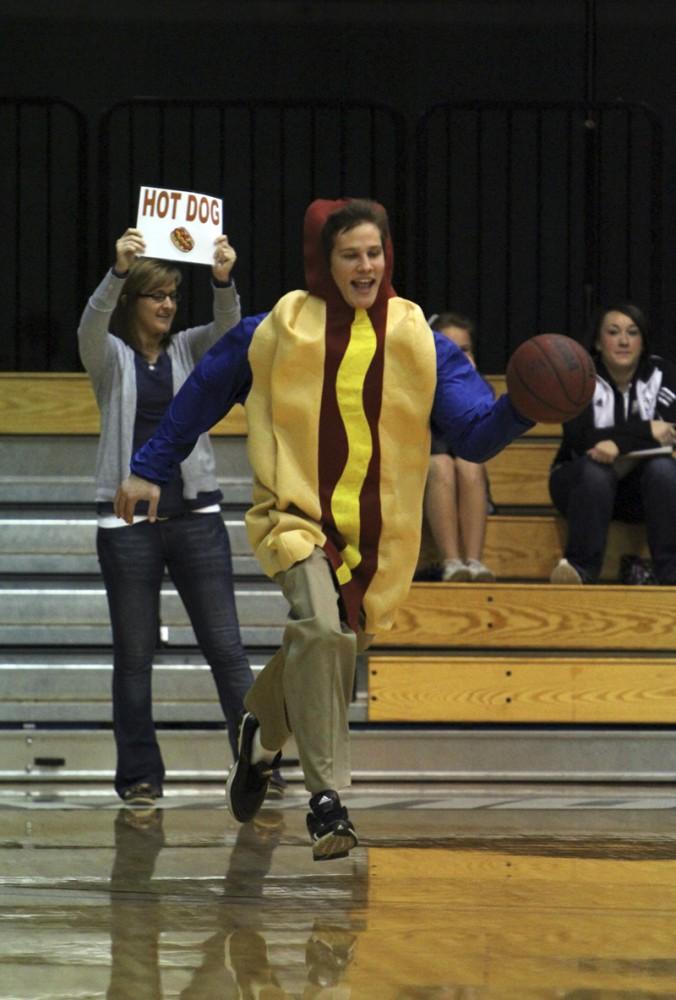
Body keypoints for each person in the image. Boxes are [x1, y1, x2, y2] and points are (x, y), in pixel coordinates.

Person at [113, 198, 533, 858]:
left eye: (375, 252)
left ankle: (260, 733)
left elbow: (475, 439)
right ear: (322, 261)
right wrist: (148, 468)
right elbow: (202, 395)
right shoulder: (278, 327)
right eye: (350, 254)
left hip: (381, 537)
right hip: (296, 516)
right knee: (318, 626)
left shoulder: (418, 337)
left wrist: (524, 407)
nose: (366, 265)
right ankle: (328, 802)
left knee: (329, 646)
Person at [78, 228, 283, 806]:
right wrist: (117, 270)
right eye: (157, 294)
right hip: (127, 529)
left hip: (196, 519)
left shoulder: (191, 349)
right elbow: (90, 326)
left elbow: (231, 332)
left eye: (173, 294)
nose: (168, 304)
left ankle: (258, 765)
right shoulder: (110, 356)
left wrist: (222, 280)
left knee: (226, 648)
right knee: (134, 658)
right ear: (132, 303)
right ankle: (140, 777)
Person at [549, 301, 676, 584]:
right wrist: (645, 430)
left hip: (640, 493)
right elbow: (580, 440)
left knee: (664, 468)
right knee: (596, 471)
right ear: (597, 340)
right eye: (613, 332)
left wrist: (617, 443)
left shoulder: (663, 374)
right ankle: (580, 571)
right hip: (578, 485)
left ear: (643, 341)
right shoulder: (578, 377)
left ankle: (671, 575)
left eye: (632, 333)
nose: (623, 341)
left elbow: (668, 433)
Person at [424, 312, 496, 582]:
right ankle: (452, 562)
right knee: (440, 463)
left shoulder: (480, 390)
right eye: (449, 351)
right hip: (420, 484)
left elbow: (482, 439)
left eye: (464, 350)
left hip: (465, 480)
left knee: (469, 461)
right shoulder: (414, 389)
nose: (458, 358)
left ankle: (474, 562)